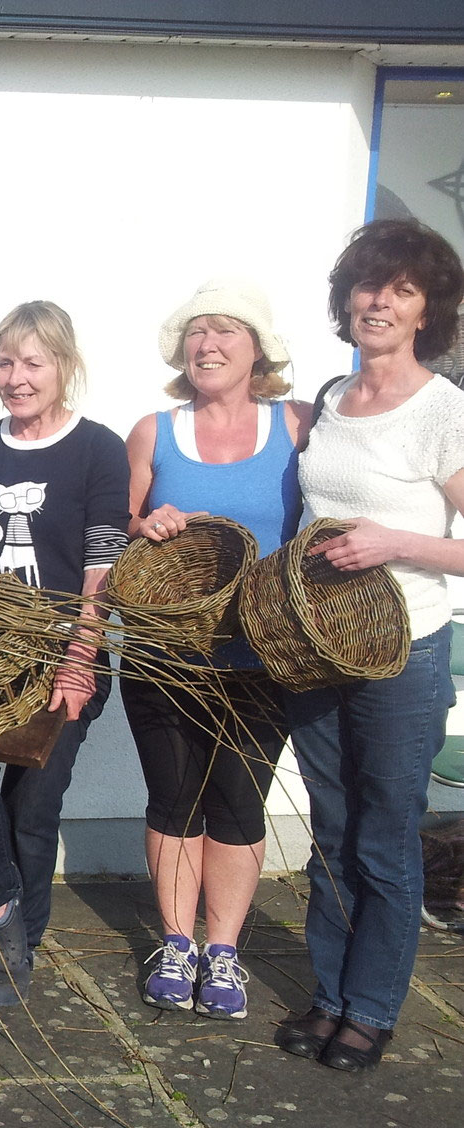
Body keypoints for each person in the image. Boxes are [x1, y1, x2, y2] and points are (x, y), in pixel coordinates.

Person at [275, 219, 464, 1072]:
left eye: (402, 289)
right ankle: (330, 993)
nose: (379, 301)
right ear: (345, 299)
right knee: (332, 828)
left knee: (384, 837)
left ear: (428, 310)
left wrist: (398, 543)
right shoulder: (329, 403)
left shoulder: (444, 411)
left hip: (407, 652)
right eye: (367, 285)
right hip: (321, 648)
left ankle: (373, 1007)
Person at [0, 301, 130, 1006]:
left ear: (64, 367)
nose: (16, 377)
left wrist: (80, 657)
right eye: (5, 362)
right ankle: (2, 918)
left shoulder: (98, 447)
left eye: (33, 362)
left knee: (33, 808)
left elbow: (104, 560)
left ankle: (20, 948)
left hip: (64, 656)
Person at [124, 280, 309, 1020]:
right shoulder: (152, 431)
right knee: (175, 799)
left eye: (226, 331)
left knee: (239, 801)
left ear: (257, 348)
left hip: (260, 656)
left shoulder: (296, 427)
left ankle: (223, 951)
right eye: (197, 333)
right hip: (164, 653)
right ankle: (177, 942)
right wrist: (148, 526)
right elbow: (123, 526)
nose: (207, 345)